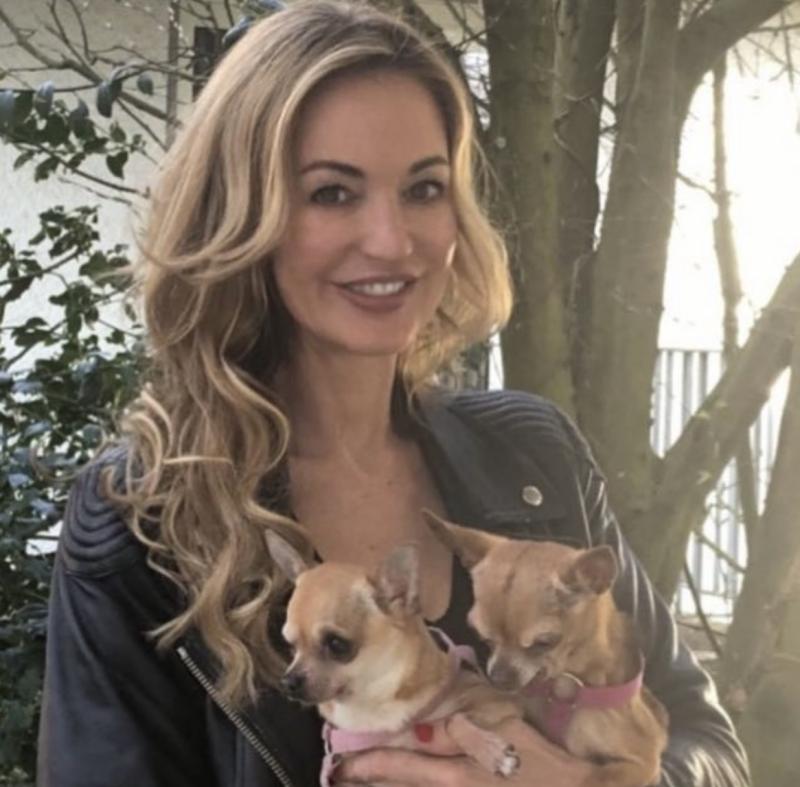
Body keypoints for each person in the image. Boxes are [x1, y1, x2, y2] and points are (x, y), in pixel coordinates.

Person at [37, 2, 750, 786]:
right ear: (240, 214)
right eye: (333, 193)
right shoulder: (146, 521)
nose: (392, 240)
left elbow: (705, 743)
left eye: (424, 187)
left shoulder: (532, 457)